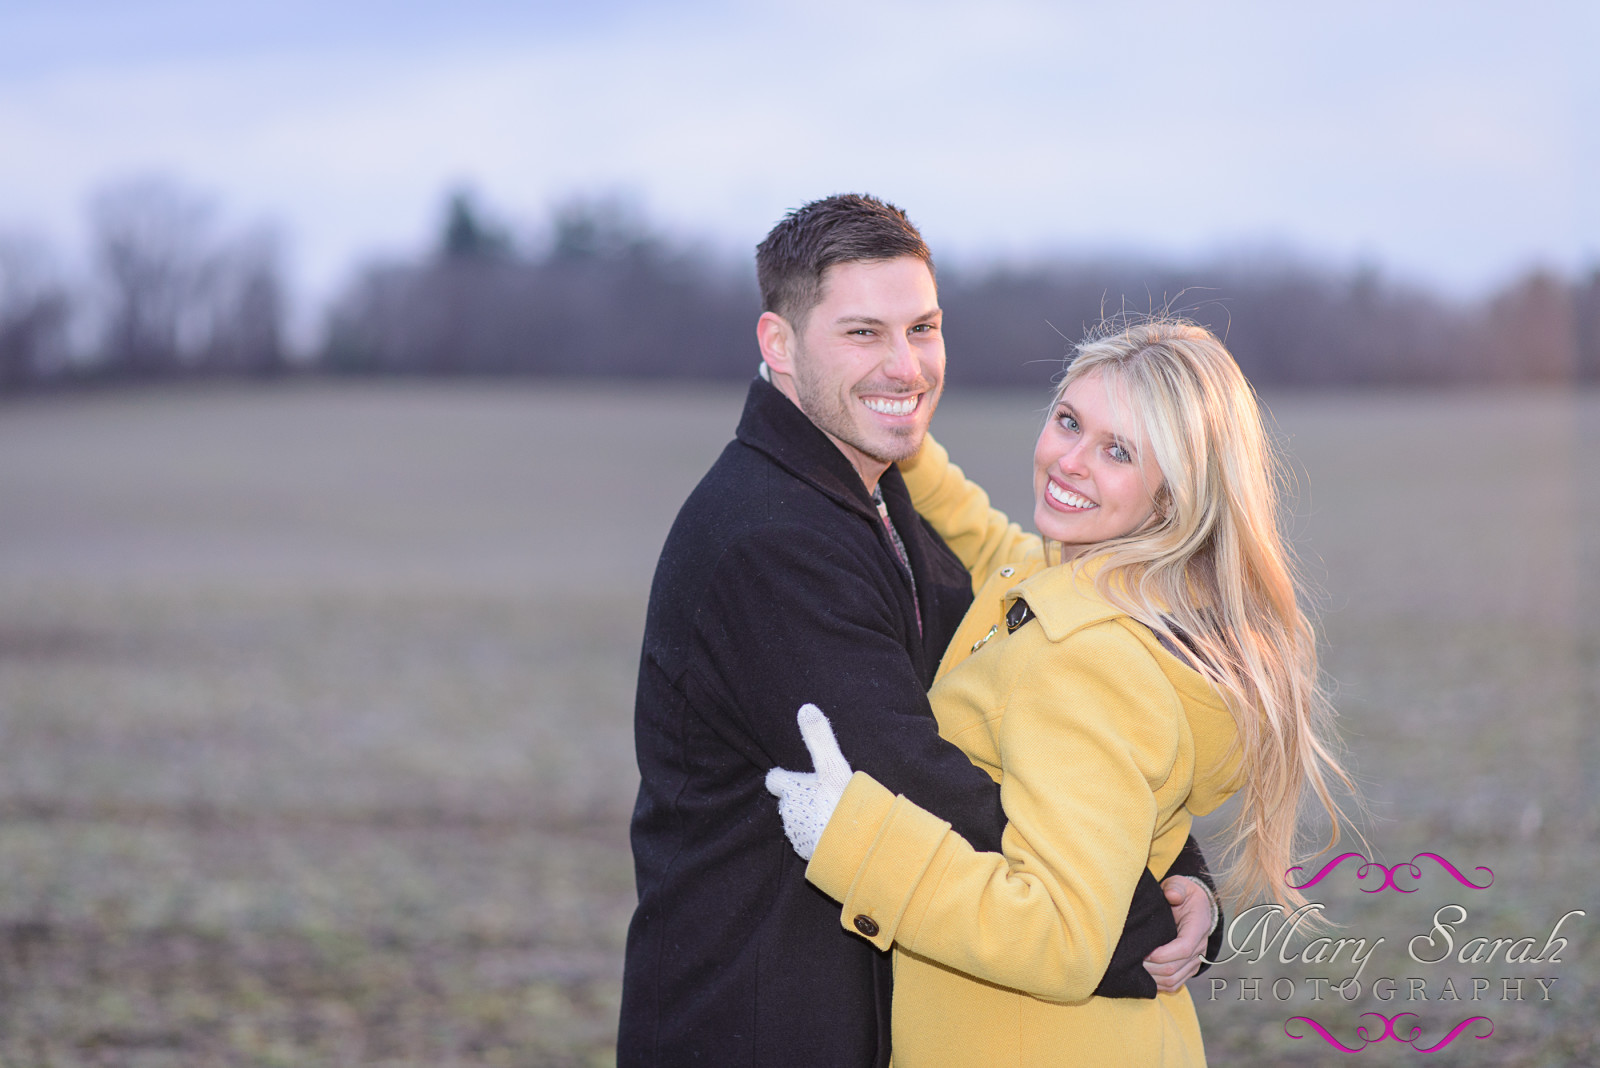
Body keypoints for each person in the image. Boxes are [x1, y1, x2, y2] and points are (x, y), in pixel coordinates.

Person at [618, 197, 1222, 1067]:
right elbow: (914, 773)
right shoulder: (767, 541)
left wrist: (1180, 864)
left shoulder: (876, 492)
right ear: (779, 345)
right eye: (864, 332)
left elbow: (1033, 727)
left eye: (923, 327)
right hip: (755, 1020)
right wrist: (1142, 916)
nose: (905, 364)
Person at [767, 318, 1353, 1066]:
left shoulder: (1084, 659)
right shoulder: (1109, 595)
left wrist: (851, 836)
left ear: (1173, 497)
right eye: (1069, 421)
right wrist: (891, 426)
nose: (1069, 461)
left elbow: (1061, 936)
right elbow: (988, 542)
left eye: (1118, 452)